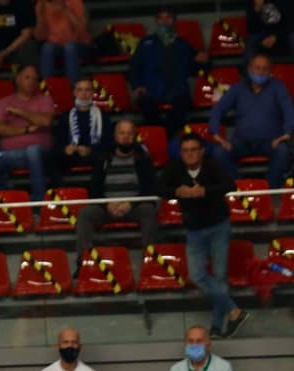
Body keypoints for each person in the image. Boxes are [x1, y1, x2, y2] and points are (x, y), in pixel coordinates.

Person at [158, 134, 250, 338]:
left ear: (201, 151)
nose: (189, 154)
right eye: (185, 151)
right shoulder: (174, 168)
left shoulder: (212, 164)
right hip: (194, 229)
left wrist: (205, 191)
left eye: (193, 150)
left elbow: (229, 185)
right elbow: (159, 188)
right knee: (197, 275)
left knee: (219, 276)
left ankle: (217, 326)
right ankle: (234, 311)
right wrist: (177, 190)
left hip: (218, 226)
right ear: (181, 153)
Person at [77, 119, 159, 260]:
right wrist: (107, 204)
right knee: (85, 213)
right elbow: (94, 189)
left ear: (134, 136)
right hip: (107, 206)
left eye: (129, 133)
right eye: (122, 133)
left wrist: (130, 204)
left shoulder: (143, 158)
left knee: (149, 211)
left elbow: (149, 189)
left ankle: (149, 260)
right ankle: (84, 261)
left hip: (134, 206)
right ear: (115, 136)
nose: (125, 137)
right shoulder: (103, 158)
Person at [209, 54, 294, 189]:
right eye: (257, 68)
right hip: (241, 143)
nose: (260, 72)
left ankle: (269, 189)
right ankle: (237, 187)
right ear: (249, 69)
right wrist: (216, 134)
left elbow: (288, 110)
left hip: (270, 142)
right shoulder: (238, 88)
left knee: (283, 151)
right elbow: (218, 109)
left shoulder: (278, 87)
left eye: (265, 69)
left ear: (270, 71)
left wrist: (287, 133)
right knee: (219, 152)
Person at [128, 7, 208, 136]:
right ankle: (160, 134)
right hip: (151, 90)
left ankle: (165, 136)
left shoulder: (183, 44)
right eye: (161, 18)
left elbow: (194, 70)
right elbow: (134, 67)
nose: (164, 21)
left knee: (184, 103)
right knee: (144, 102)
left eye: (168, 17)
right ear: (156, 21)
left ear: (174, 21)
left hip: (177, 90)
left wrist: (203, 61)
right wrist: (136, 86)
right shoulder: (145, 43)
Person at [0, 65, 55, 201]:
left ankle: (39, 202)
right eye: (27, 77)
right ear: (17, 80)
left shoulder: (45, 100)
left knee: (33, 151)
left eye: (35, 78)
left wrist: (19, 112)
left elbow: (45, 121)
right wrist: (26, 129)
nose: (31, 81)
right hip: (11, 153)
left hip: (41, 152)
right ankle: (8, 199)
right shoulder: (5, 102)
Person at [50, 78, 110, 184]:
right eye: (80, 90)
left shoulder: (103, 115)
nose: (84, 94)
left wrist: (89, 150)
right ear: (74, 92)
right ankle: (61, 191)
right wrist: (65, 149)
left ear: (92, 93)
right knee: (53, 158)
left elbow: (108, 142)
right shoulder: (65, 116)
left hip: (93, 153)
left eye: (87, 90)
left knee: (103, 157)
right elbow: (58, 142)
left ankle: (95, 193)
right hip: (71, 154)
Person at [34, 0, 89, 84]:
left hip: (78, 43)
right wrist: (40, 16)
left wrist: (65, 10)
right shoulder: (42, 4)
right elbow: (39, 37)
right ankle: (47, 87)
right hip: (55, 45)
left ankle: (72, 87)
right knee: (47, 48)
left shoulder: (75, 2)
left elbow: (82, 30)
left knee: (69, 48)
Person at [245, 0, 290, 64]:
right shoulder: (253, 2)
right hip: (260, 33)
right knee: (251, 43)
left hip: (281, 33)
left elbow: (289, 24)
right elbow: (251, 28)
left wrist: (275, 36)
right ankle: (249, 69)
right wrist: (257, 9)